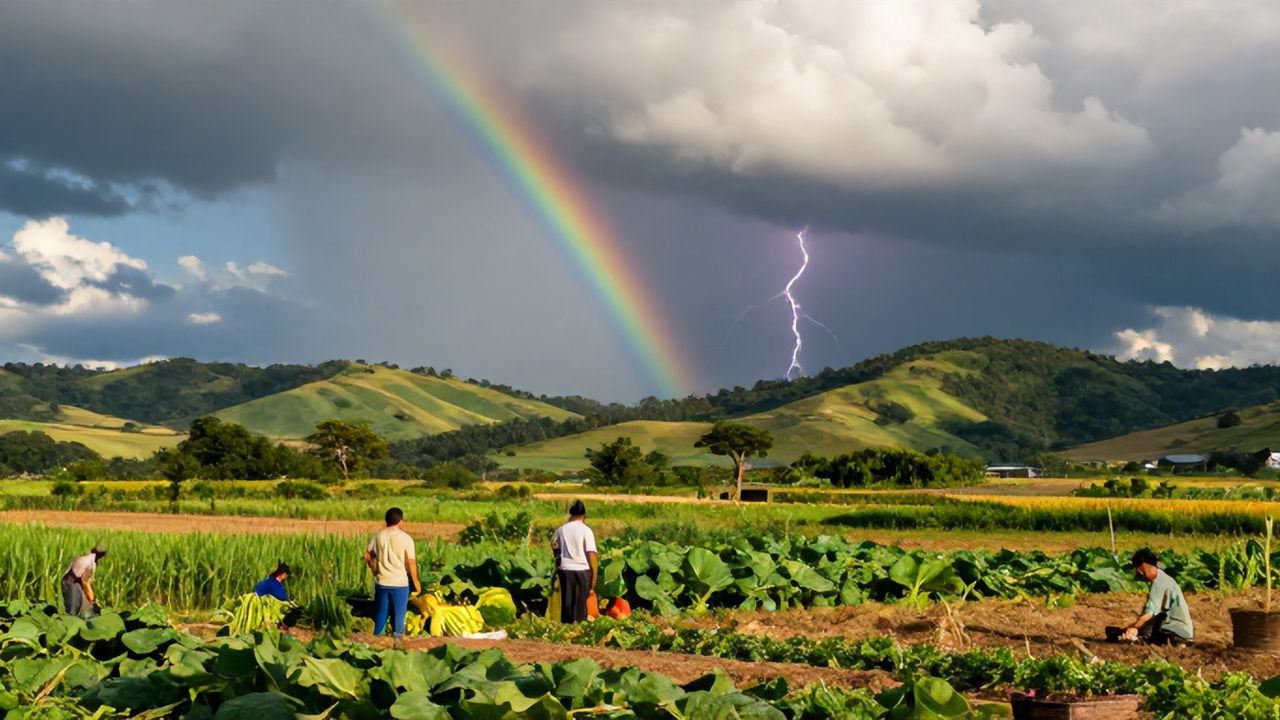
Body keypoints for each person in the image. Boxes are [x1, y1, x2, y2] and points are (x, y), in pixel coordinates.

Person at [1113, 549, 1194, 645]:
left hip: (1176, 630)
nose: (1142, 575)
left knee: (1146, 630)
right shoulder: (1162, 579)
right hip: (1180, 630)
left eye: (1143, 571)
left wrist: (1134, 628)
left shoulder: (1160, 583)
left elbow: (1150, 613)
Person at [364, 507, 420, 641]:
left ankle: (376, 642)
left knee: (381, 616)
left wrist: (375, 570)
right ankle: (397, 645)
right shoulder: (406, 538)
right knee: (399, 618)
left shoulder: (379, 536)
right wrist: (417, 584)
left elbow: (367, 555)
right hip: (400, 583)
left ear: (386, 520)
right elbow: (411, 563)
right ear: (400, 520)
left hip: (382, 582)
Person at [551, 500, 597, 624]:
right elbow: (591, 554)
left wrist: (558, 562)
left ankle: (566, 629)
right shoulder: (586, 530)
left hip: (565, 570)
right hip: (582, 570)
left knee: (567, 603)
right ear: (583, 516)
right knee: (580, 604)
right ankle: (578, 629)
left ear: (571, 514)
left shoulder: (561, 530)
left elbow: (554, 545)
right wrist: (594, 577)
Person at [63, 545, 107, 618]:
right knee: (73, 611)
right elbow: (85, 582)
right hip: (72, 582)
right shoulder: (92, 564)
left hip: (68, 580)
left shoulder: (83, 557)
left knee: (77, 607)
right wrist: (92, 598)